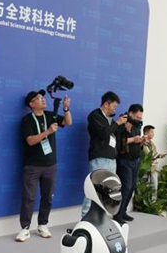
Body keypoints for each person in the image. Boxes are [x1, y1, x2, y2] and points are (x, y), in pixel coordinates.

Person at [17, 90, 72, 242]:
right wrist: (48, 131)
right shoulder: (27, 120)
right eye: (38, 98)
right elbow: (30, 141)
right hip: (32, 165)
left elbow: (68, 122)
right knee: (29, 197)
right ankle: (25, 228)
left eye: (43, 97)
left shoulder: (50, 115)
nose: (43, 99)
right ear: (31, 104)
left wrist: (66, 109)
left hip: (50, 164)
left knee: (48, 196)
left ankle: (42, 225)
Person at [82, 91, 127, 217]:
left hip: (112, 159)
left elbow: (115, 138)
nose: (114, 109)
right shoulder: (95, 116)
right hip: (99, 158)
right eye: (113, 106)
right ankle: (85, 217)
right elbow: (102, 133)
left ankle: (103, 217)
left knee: (109, 190)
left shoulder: (111, 120)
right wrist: (117, 123)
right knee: (94, 189)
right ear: (106, 104)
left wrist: (123, 127)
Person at [115, 104, 145, 223]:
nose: (138, 120)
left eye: (140, 118)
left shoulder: (137, 126)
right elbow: (120, 142)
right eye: (137, 117)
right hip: (125, 160)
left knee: (131, 187)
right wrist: (133, 139)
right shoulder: (123, 122)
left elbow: (135, 141)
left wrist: (141, 141)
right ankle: (117, 214)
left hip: (135, 160)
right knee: (125, 187)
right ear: (130, 114)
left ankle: (123, 211)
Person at [142, 125, 167, 199]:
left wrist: (159, 156)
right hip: (144, 169)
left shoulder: (152, 144)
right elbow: (146, 155)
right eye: (151, 132)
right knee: (144, 187)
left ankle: (152, 205)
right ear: (146, 132)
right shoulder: (141, 143)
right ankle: (144, 204)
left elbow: (154, 156)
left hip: (153, 169)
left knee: (154, 187)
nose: (153, 134)